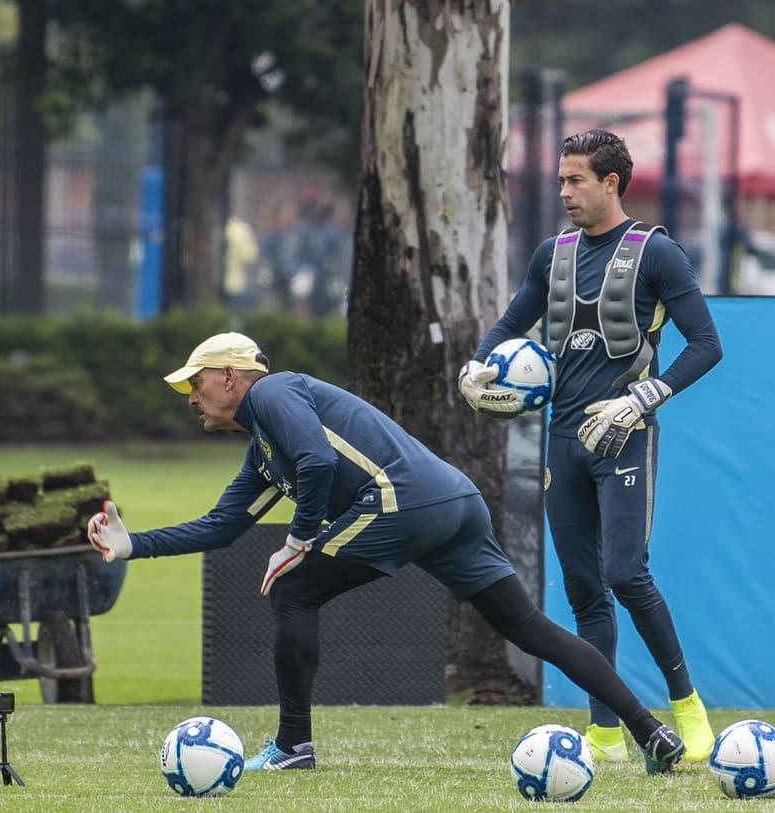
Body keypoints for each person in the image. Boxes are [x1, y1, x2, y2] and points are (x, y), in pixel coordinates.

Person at [86, 331, 686, 775]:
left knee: (293, 588)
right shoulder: (265, 447)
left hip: (406, 501)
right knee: (531, 629)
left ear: (229, 377)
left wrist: (297, 541)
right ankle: (651, 733)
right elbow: (221, 527)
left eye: (194, 383)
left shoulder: (271, 391)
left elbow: (318, 462)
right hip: (456, 501)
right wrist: (133, 544)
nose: (190, 397)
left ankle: (294, 746)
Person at [457, 130, 723, 763]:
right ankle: (605, 733)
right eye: (560, 181)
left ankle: (686, 702)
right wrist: (476, 365)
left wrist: (645, 397)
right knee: (582, 589)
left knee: (626, 574)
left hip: (624, 435)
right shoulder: (552, 256)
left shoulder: (657, 253)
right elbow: (511, 323)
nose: (564, 192)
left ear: (611, 183)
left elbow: (707, 344)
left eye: (575, 180)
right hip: (563, 440)